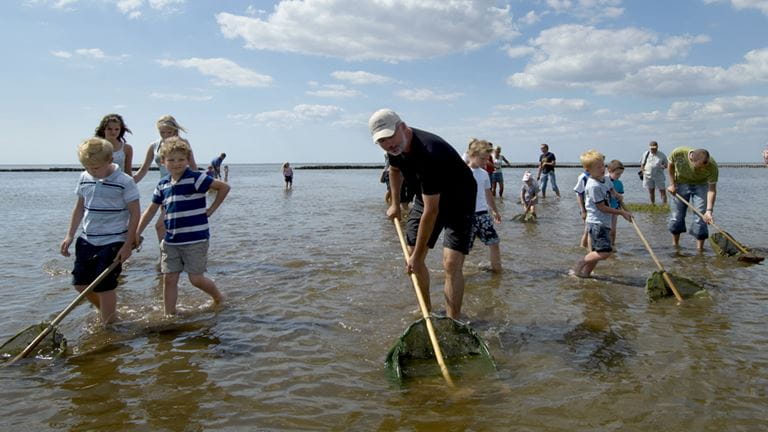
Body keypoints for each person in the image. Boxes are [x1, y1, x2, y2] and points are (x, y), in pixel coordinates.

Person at [369, 108, 476, 320]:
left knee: (451, 263)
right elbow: (394, 170)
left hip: (458, 200)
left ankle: (453, 320)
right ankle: (426, 313)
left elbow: (431, 210)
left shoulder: (429, 152)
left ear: (402, 127)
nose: (388, 144)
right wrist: (396, 204)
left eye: (390, 137)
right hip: (425, 196)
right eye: (382, 141)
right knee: (411, 254)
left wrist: (418, 258)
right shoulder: (394, 150)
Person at [137, 137, 230, 315]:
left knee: (195, 279)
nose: (176, 164)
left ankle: (218, 297)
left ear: (188, 160)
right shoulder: (163, 184)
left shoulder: (195, 178)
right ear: (163, 162)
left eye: (181, 159)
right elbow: (150, 210)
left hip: (196, 239)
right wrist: (137, 232)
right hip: (171, 240)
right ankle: (169, 315)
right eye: (171, 160)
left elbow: (224, 187)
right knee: (169, 279)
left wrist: (211, 209)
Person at [60, 137, 140, 324]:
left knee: (104, 287)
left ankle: (109, 325)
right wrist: (69, 235)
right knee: (80, 284)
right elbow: (79, 207)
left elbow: (135, 213)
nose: (91, 171)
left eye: (95, 168)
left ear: (110, 160)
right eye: (87, 167)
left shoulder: (125, 181)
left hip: (113, 240)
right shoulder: (84, 177)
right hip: (87, 239)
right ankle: (108, 313)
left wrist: (128, 244)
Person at [132, 115, 199, 248]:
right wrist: (128, 183)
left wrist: (198, 186)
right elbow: (144, 169)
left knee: (160, 225)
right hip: (164, 188)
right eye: (162, 132)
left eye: (169, 132)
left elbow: (193, 166)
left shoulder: (182, 143)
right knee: (169, 225)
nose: (166, 135)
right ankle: (171, 257)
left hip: (181, 187)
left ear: (175, 131)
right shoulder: (154, 146)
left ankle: (166, 256)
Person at [571, 150, 631, 278]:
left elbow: (611, 189)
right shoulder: (593, 186)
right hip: (596, 223)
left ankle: (586, 274)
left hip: (604, 222)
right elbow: (602, 207)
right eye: (598, 167)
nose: (602, 169)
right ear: (588, 170)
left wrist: (617, 195)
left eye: (603, 165)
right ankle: (580, 263)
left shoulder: (606, 179)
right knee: (605, 252)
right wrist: (621, 212)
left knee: (596, 252)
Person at [667, 147, 718, 252]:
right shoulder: (678, 153)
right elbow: (670, 165)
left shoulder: (712, 166)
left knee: (701, 218)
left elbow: (712, 190)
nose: (704, 169)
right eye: (701, 167)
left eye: (706, 166)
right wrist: (672, 184)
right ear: (692, 161)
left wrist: (709, 211)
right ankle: (675, 246)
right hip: (680, 183)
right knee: (676, 217)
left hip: (701, 185)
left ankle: (700, 250)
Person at [467, 139, 502, 272]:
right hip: (467, 216)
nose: (485, 162)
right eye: (482, 159)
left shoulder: (484, 173)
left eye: (487, 159)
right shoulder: (463, 172)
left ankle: (497, 271)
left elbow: (488, 194)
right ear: (472, 155)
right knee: (464, 249)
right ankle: (459, 273)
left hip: (483, 214)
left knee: (494, 243)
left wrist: (495, 211)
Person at [607, 160, 626, 246]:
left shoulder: (619, 183)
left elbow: (620, 198)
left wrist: (624, 211)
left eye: (621, 174)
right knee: (606, 230)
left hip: (615, 209)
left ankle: (612, 245)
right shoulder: (604, 181)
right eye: (617, 174)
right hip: (605, 209)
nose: (619, 176)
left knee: (613, 230)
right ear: (609, 171)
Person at [573, 168, 591, 249]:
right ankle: (583, 247)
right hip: (586, 206)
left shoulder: (597, 175)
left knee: (590, 229)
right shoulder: (583, 177)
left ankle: (588, 247)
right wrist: (583, 210)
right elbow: (579, 194)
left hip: (595, 206)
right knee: (587, 229)